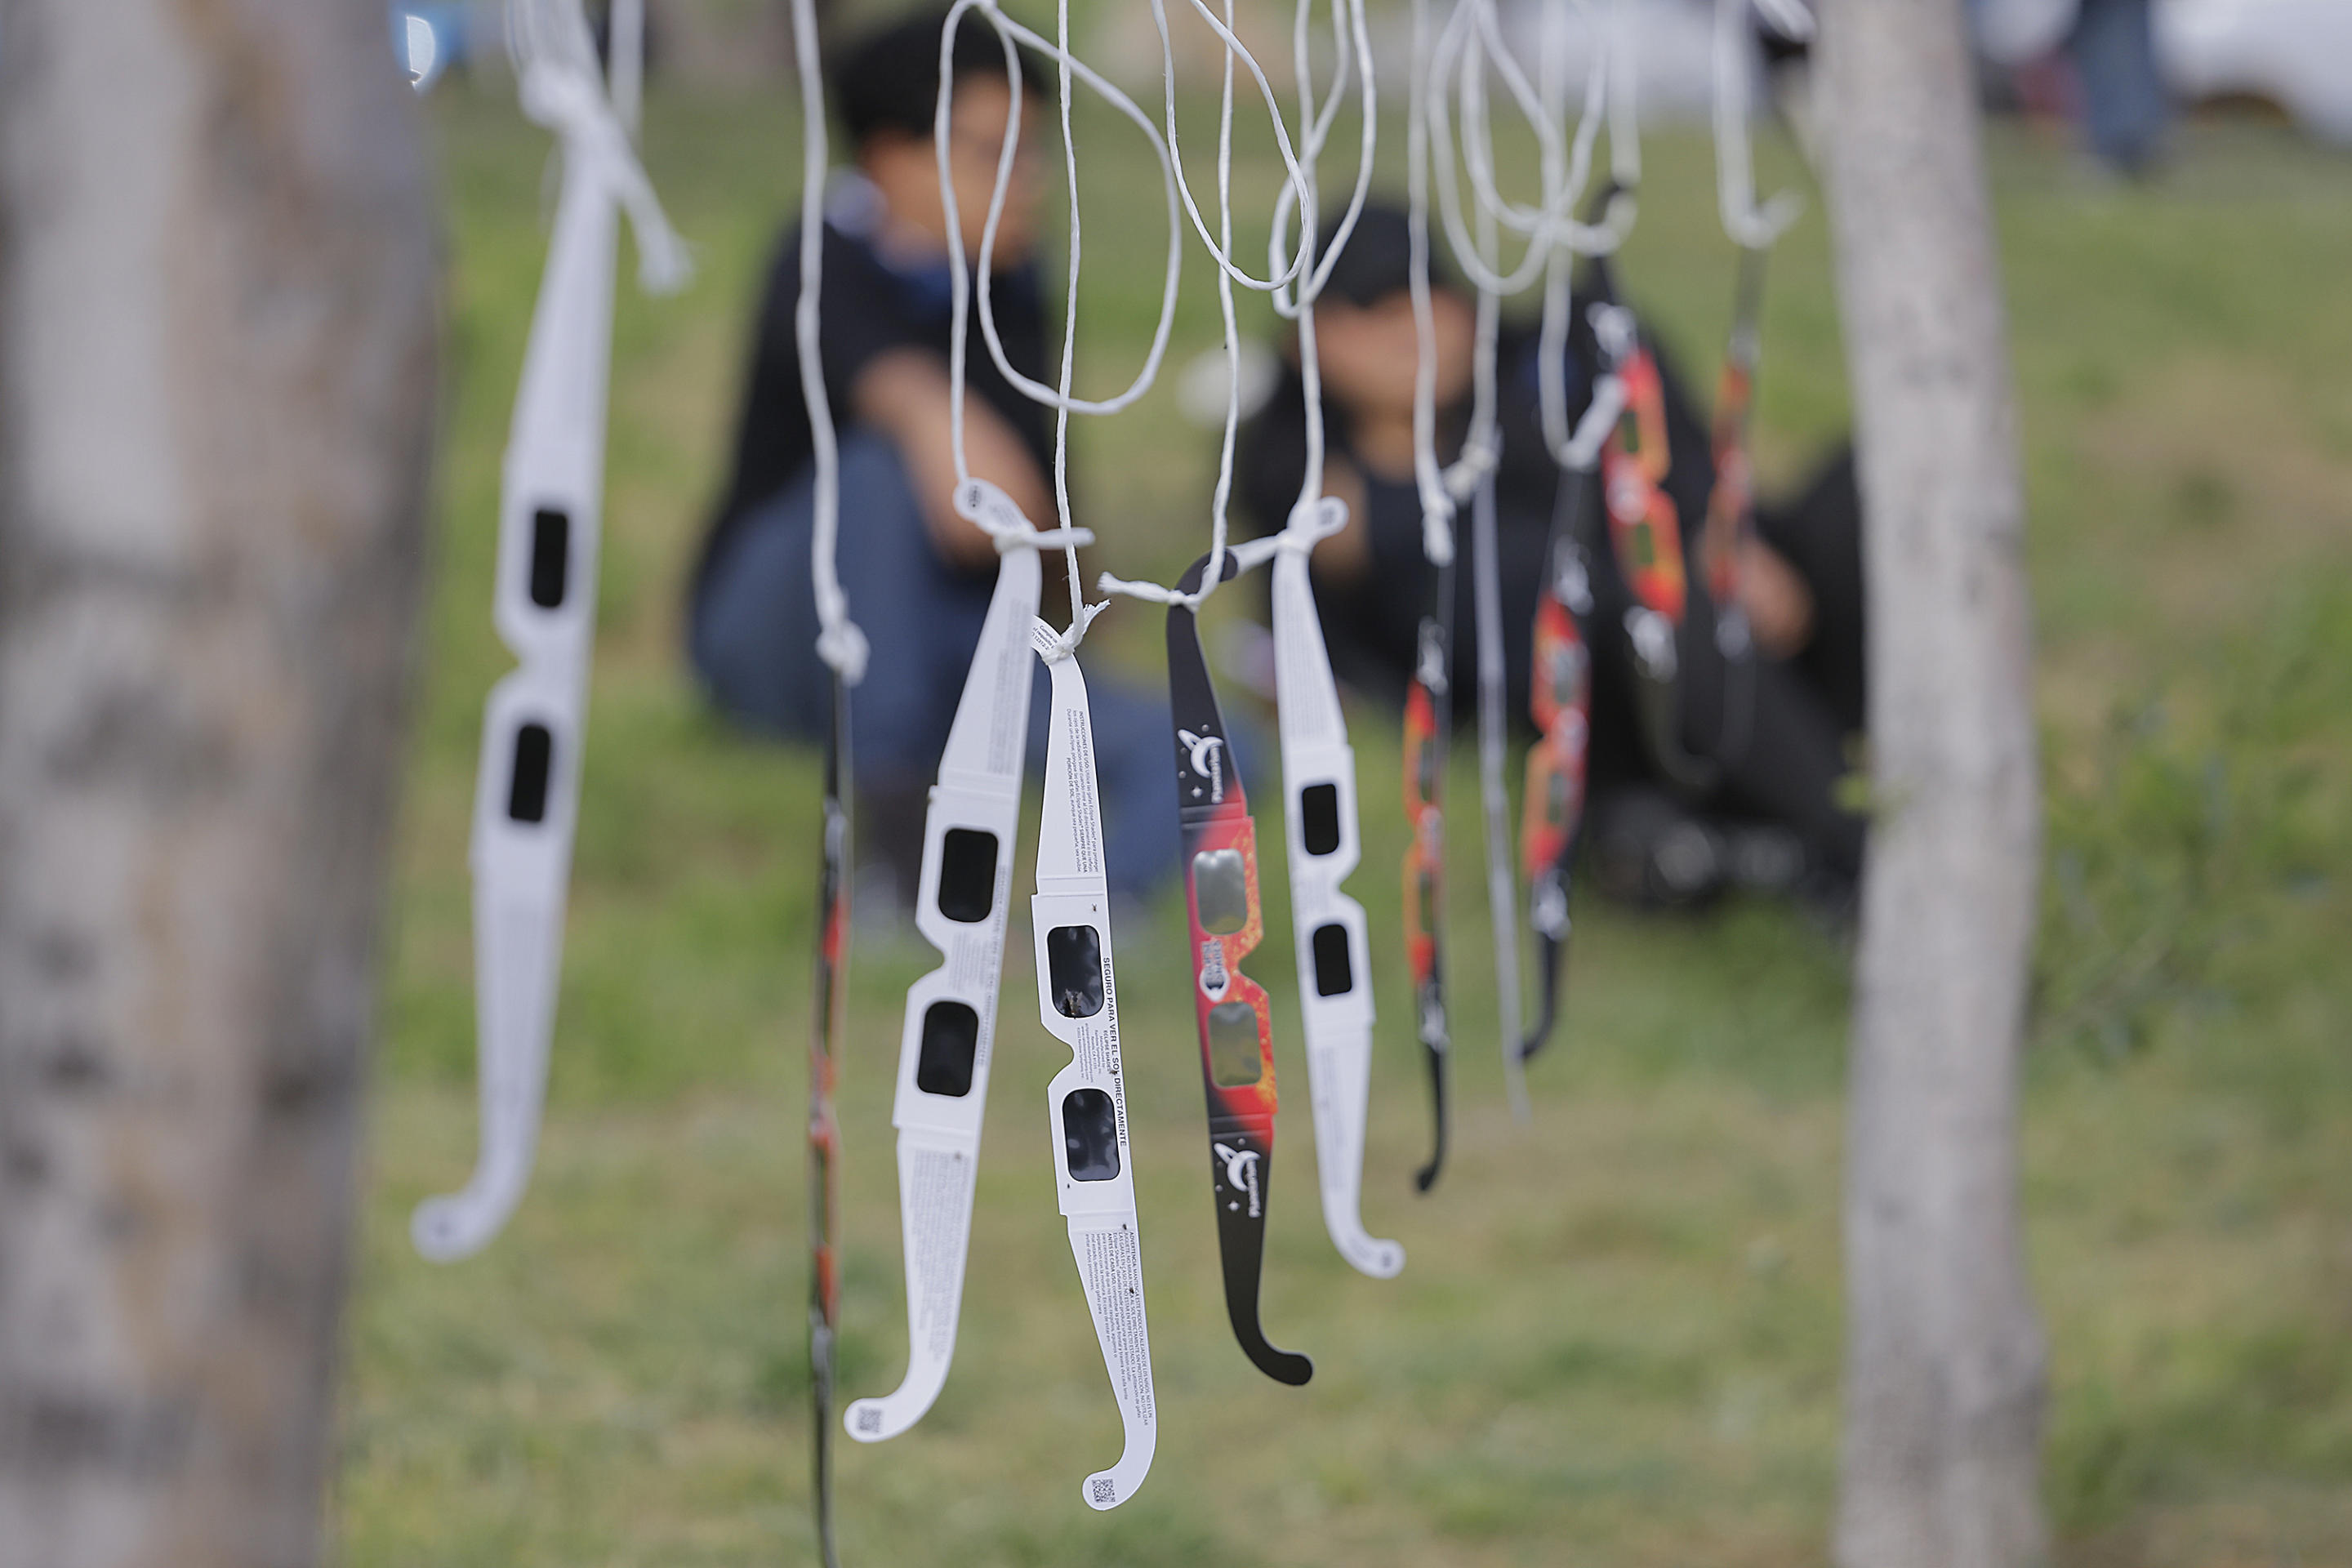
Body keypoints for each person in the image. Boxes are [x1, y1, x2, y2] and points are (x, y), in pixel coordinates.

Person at [1236, 203, 1867, 917]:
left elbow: (1677, 465)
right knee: (1643, 605)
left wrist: (1721, 534)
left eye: (1422, 302)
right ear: (1305, 344)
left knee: (1863, 481)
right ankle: (1861, 847)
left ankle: (1867, 784)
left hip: (1764, 630)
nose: (1404, 337)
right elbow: (1522, 586)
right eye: (1367, 315)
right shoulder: (1304, 483)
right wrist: (1388, 494)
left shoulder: (1552, 363)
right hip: (1624, 707)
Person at [690, 11, 1180, 906]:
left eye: (1034, 155)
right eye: (994, 154)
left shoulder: (1012, 287)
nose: (1027, 183)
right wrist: (952, 434)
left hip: (945, 647)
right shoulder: (819, 258)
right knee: (881, 473)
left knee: (1201, 744)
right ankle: (892, 847)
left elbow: (1042, 518)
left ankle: (1071, 929)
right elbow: (948, 459)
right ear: (890, 156)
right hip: (783, 637)